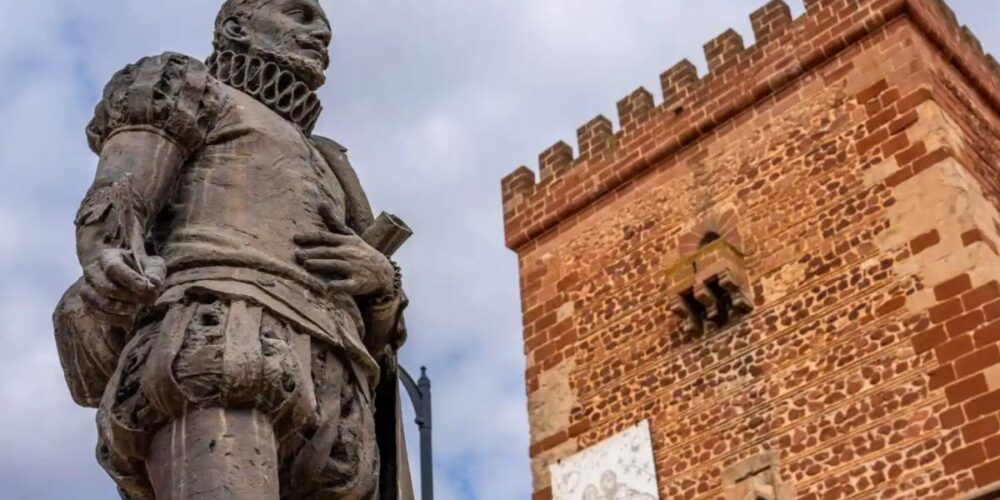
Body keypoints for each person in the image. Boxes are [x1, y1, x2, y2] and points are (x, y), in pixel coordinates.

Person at [51, 1, 408, 498]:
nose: (321, 31)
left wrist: (382, 282)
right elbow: (122, 189)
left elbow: (382, 337)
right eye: (298, 13)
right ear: (238, 26)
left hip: (340, 394)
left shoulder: (332, 161)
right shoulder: (194, 88)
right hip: (220, 340)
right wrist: (108, 251)